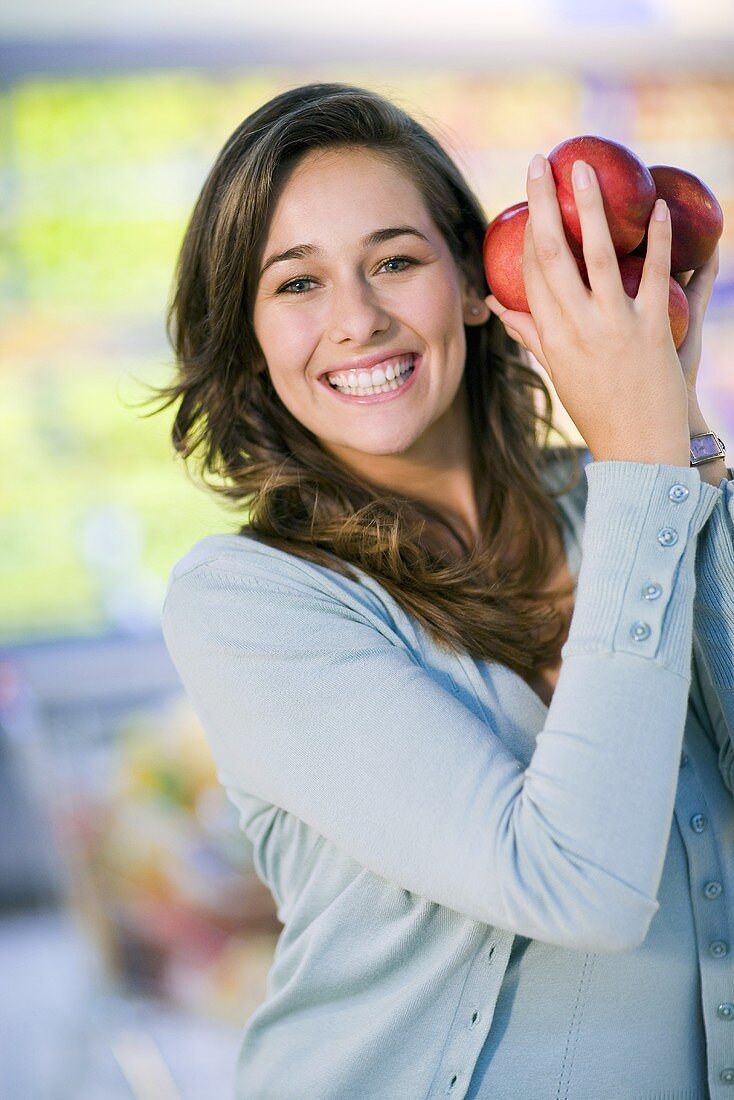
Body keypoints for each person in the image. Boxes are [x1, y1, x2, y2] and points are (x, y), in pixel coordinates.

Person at [156, 83, 734, 1099]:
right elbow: (572, 885)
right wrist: (646, 464)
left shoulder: (623, 495)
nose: (359, 320)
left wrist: (678, 441)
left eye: (394, 261)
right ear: (246, 332)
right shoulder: (245, 601)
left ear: (474, 283)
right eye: (296, 284)